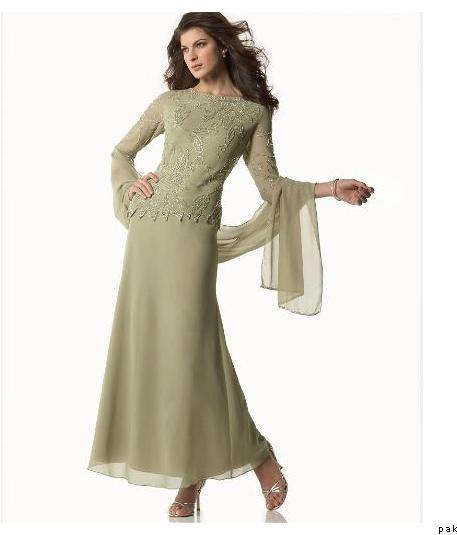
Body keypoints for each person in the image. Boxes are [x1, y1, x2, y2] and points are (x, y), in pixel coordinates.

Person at [87, 12, 375, 519]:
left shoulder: (251, 113)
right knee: (160, 353)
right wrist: (132, 184)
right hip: (149, 234)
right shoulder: (171, 103)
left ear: (221, 46)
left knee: (193, 355)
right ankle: (191, 476)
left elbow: (270, 187)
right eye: (184, 50)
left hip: (192, 240)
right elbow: (120, 151)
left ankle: (255, 457)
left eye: (199, 45)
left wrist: (331, 188)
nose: (191, 56)